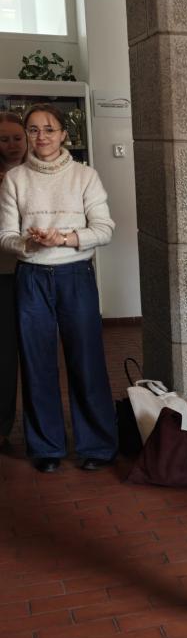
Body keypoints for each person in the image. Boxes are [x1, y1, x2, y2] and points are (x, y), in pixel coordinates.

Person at [0, 103, 117, 473]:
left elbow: (104, 229)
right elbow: (5, 236)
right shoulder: (15, 179)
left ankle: (97, 445)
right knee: (36, 362)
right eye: (33, 130)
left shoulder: (85, 176)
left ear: (64, 134)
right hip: (31, 277)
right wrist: (30, 244)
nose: (41, 137)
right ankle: (45, 447)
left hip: (75, 275)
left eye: (49, 129)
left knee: (86, 360)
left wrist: (64, 239)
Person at [0, 110, 28, 447]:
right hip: (3, 274)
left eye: (17, 138)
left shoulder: (38, 173)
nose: (11, 145)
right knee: (4, 355)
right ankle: (2, 426)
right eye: (4, 139)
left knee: (36, 354)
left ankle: (39, 429)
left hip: (35, 272)